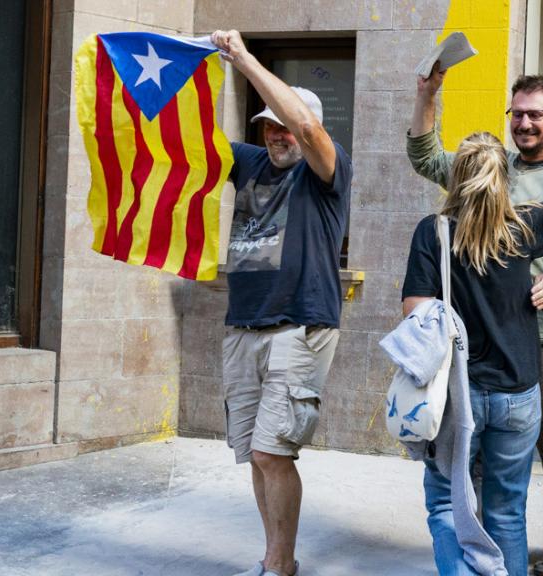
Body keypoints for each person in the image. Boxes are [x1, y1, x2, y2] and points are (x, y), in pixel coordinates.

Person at [408, 69, 543, 576]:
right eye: (516, 114)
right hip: (494, 352)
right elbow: (426, 156)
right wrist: (427, 96)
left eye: (535, 114)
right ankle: (490, 546)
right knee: (503, 484)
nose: (524, 123)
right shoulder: (501, 172)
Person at [210, 29, 353, 576]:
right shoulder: (249, 163)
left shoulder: (326, 172)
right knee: (254, 452)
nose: (275, 134)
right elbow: (190, 139)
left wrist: (243, 58)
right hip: (242, 325)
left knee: (274, 452)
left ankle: (279, 565)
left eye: (282, 125)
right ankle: (277, 558)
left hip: (301, 325)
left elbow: (308, 127)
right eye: (266, 126)